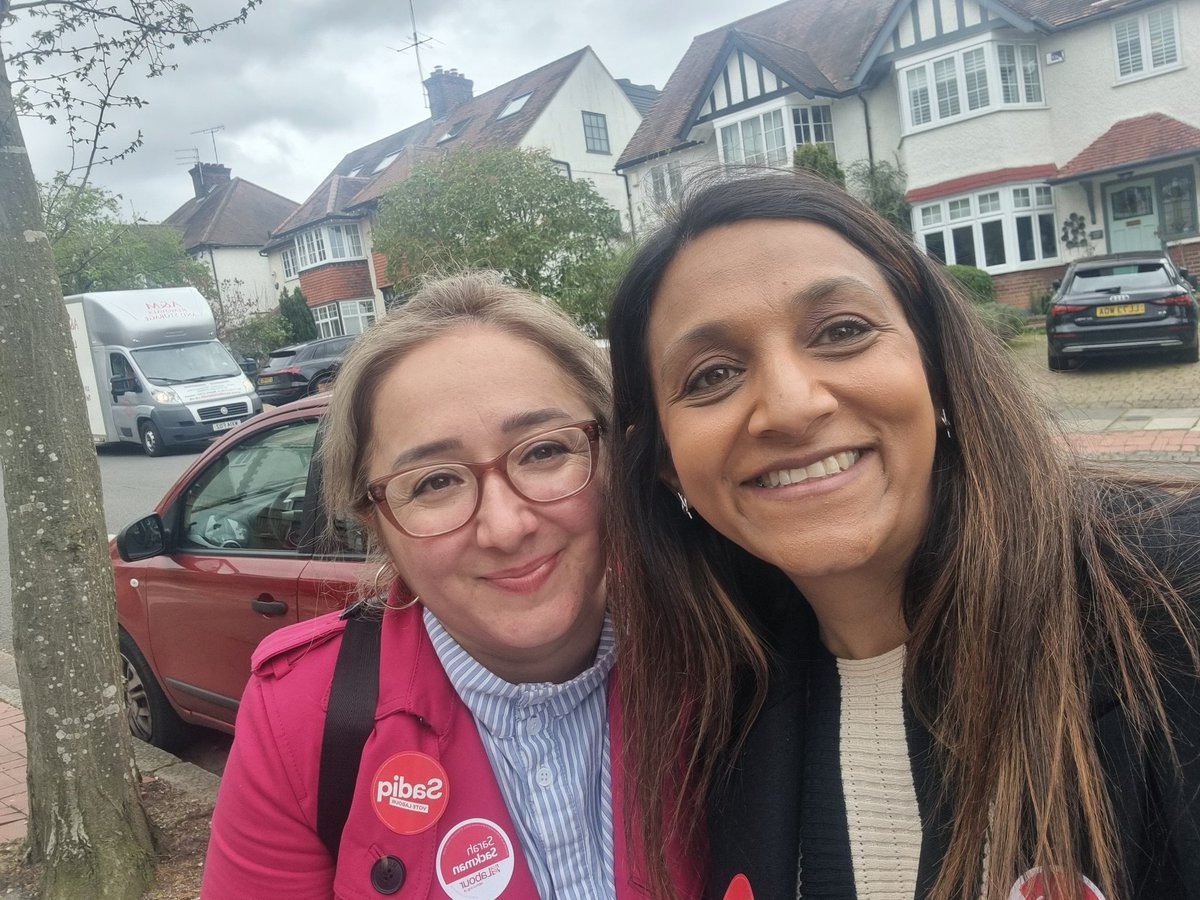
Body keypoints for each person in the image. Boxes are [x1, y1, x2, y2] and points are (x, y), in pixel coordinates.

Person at [605, 171, 1200, 900]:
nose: (790, 407)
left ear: (937, 365)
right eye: (713, 375)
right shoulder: (711, 714)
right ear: (666, 463)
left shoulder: (1176, 600)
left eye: (842, 332)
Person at [202, 273, 702, 898]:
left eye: (544, 451)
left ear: (614, 462)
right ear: (376, 522)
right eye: (434, 482)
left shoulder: (720, 646)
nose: (505, 527)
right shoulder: (302, 717)